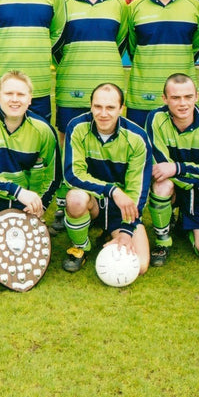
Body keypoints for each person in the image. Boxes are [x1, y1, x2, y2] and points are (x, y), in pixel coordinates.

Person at [51, 0, 128, 233]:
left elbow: (120, 43)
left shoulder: (120, 5)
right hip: (71, 86)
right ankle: (64, 205)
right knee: (66, 149)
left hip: (108, 92)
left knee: (108, 145)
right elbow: (56, 45)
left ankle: (108, 201)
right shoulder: (64, 5)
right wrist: (74, 64)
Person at [0, 70, 61, 275]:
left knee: (24, 257)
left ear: (30, 99)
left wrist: (39, 203)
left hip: (23, 204)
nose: (14, 100)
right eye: (9, 94)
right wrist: (16, 190)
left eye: (21, 94)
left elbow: (53, 175)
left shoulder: (43, 129)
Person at [61, 83, 151, 274]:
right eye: (98, 106)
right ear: (91, 106)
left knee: (140, 265)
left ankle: (112, 232)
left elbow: (138, 189)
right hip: (92, 202)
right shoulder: (77, 127)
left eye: (110, 107)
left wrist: (127, 231)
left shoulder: (137, 137)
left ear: (121, 108)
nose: (103, 113)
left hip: (122, 209)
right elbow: (72, 174)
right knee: (75, 198)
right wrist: (112, 190)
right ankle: (81, 247)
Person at [145, 74, 199, 266]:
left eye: (188, 97)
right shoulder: (155, 118)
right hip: (185, 188)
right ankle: (163, 240)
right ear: (165, 99)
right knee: (162, 184)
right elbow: (159, 169)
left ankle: (186, 223)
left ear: (196, 96)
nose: (183, 103)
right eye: (175, 98)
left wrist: (177, 167)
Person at [126, 0, 199, 128]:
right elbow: (132, 48)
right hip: (142, 96)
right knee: (141, 149)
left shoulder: (195, 7)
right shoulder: (134, 8)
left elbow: (196, 45)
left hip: (181, 98)